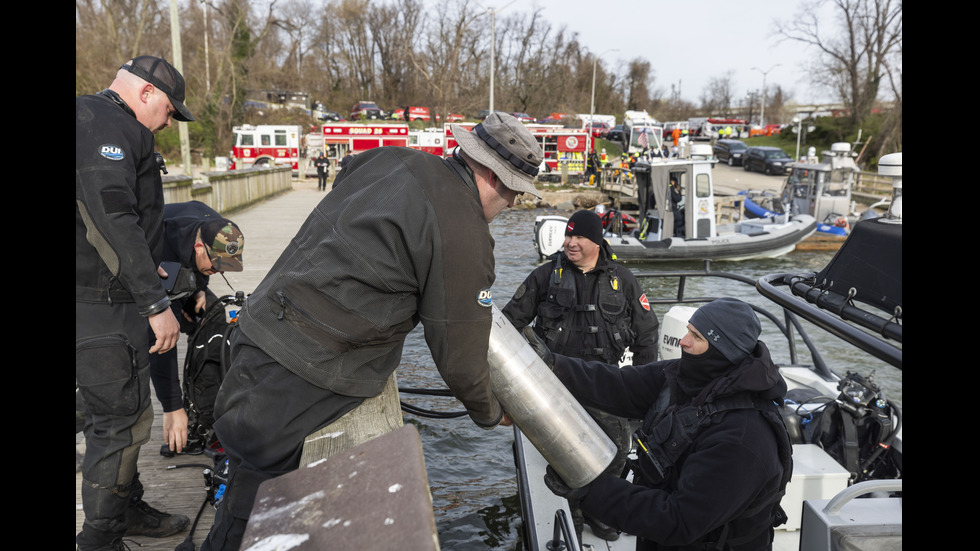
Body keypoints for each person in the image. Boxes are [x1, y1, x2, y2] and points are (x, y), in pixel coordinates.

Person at [199, 111, 544, 551]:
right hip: (302, 368)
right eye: (515, 192)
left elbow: (348, 180)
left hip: (259, 324)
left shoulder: (391, 158)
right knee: (260, 494)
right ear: (496, 178)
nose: (513, 204)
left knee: (248, 468)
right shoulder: (465, 231)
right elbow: (459, 354)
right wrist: (492, 411)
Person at [538, 298, 793, 550]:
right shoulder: (685, 375)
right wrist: (553, 365)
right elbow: (619, 385)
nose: (683, 341)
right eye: (688, 330)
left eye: (697, 337)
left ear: (723, 351)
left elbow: (678, 520)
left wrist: (590, 491)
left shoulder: (742, 438)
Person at [76, 55, 195, 551]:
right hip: (102, 302)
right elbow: (112, 214)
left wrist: (151, 267)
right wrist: (154, 301)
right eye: (169, 110)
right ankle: (100, 540)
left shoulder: (90, 117)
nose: (169, 123)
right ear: (145, 92)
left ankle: (126, 509)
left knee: (111, 403)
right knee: (121, 422)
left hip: (93, 292)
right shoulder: (110, 125)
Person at [502, 209, 660, 541]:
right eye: (568, 236)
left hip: (605, 382)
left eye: (579, 237)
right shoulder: (545, 277)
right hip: (553, 384)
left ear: (597, 241)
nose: (571, 243)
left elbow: (647, 335)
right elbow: (509, 323)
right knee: (566, 453)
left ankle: (596, 509)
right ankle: (572, 513)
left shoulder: (624, 281)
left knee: (619, 446)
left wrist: (646, 389)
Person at [149, 201, 245, 457]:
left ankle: (205, 415)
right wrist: (171, 407)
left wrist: (200, 286)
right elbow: (161, 342)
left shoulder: (218, 227)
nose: (217, 271)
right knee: (160, 338)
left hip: (183, 266)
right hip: (135, 281)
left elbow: (205, 264)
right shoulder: (160, 238)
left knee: (213, 320)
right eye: (215, 266)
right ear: (199, 246)